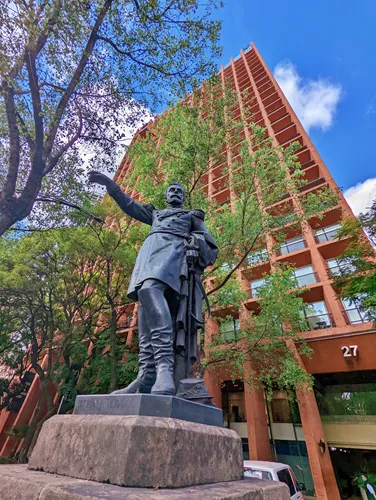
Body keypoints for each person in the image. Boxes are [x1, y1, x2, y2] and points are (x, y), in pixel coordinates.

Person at [88, 171, 218, 396]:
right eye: (172, 190)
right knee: (145, 309)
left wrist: (194, 242)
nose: (175, 193)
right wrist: (110, 184)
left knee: (150, 289)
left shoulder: (191, 216)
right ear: (166, 196)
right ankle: (146, 375)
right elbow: (129, 204)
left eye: (179, 191)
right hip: (149, 255)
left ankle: (164, 369)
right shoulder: (155, 214)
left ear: (183, 198)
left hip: (174, 255)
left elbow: (209, 243)